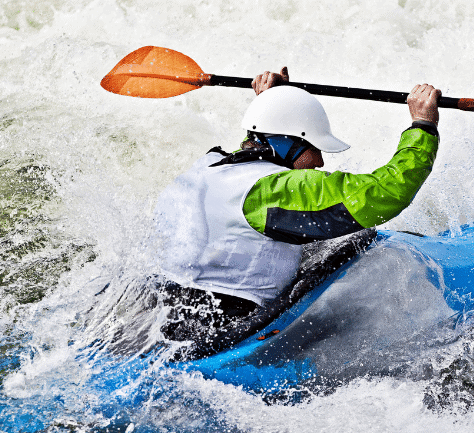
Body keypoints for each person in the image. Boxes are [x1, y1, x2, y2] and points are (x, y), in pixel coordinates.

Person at [148, 67, 441, 358]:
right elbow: (386, 192)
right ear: (289, 142)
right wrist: (422, 125)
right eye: (314, 146)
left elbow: (262, 144)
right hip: (225, 334)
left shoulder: (206, 168)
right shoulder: (272, 190)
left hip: (160, 321)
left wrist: (272, 103)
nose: (320, 160)